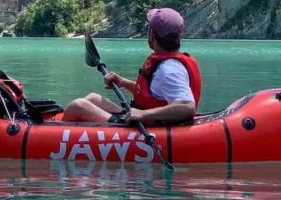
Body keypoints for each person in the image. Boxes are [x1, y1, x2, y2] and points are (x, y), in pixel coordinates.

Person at [61, 7, 202, 126]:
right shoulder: (167, 64)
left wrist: (143, 114)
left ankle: (53, 136)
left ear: (152, 34)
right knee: (93, 98)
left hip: (145, 127)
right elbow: (151, 95)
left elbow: (187, 107)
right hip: (141, 119)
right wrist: (123, 82)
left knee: (77, 106)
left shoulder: (169, 70)